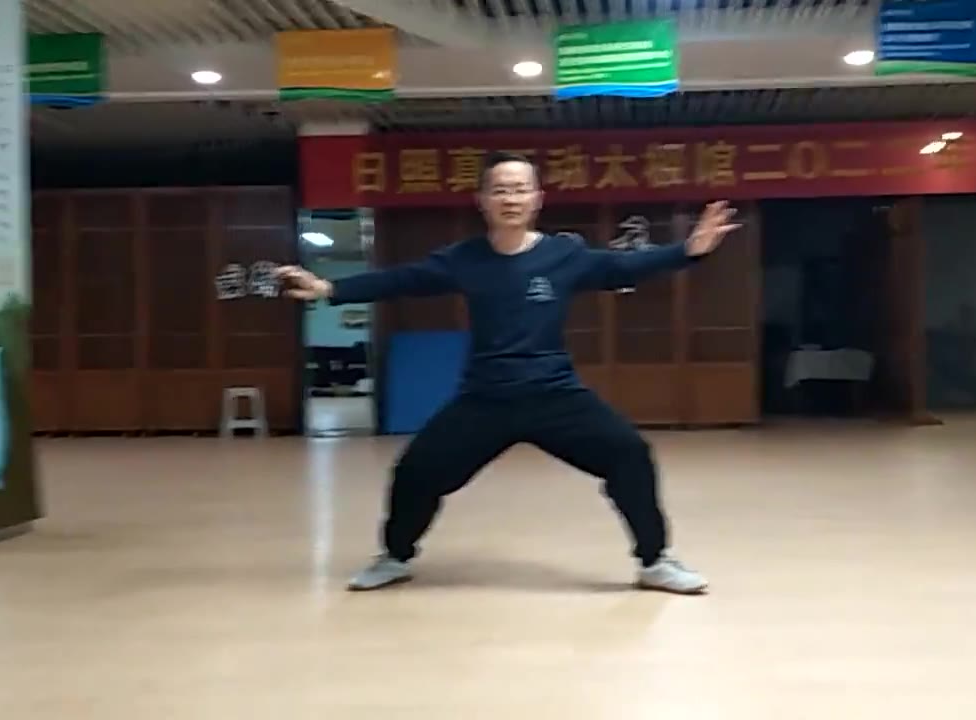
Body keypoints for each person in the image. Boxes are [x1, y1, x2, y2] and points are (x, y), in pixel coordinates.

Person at [276, 151, 739, 595]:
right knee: (416, 471)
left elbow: (622, 266)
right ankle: (394, 557)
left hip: (554, 395)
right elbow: (403, 280)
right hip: (486, 399)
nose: (511, 199)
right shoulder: (465, 259)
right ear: (482, 200)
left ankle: (656, 562)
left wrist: (688, 251)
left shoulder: (564, 254)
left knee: (630, 454)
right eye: (500, 190)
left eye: (520, 189)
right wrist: (330, 288)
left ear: (537, 199)